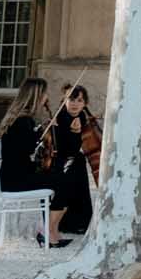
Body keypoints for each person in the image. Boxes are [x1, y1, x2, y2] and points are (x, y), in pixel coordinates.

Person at [0, 78, 65, 245]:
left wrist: (41, 130)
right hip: (17, 180)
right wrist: (42, 132)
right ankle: (47, 230)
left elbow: (24, 147)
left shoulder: (18, 118)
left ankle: (50, 228)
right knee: (64, 180)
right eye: (45, 94)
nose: (46, 97)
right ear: (37, 96)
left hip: (12, 175)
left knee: (60, 176)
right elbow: (29, 149)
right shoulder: (23, 121)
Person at [40, 83, 101, 238]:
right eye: (71, 99)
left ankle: (79, 221)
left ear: (85, 104)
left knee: (78, 161)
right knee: (75, 163)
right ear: (64, 101)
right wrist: (74, 132)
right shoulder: (59, 119)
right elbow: (63, 150)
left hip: (70, 161)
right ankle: (68, 222)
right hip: (55, 163)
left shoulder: (82, 117)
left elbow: (79, 149)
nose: (75, 104)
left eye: (79, 100)